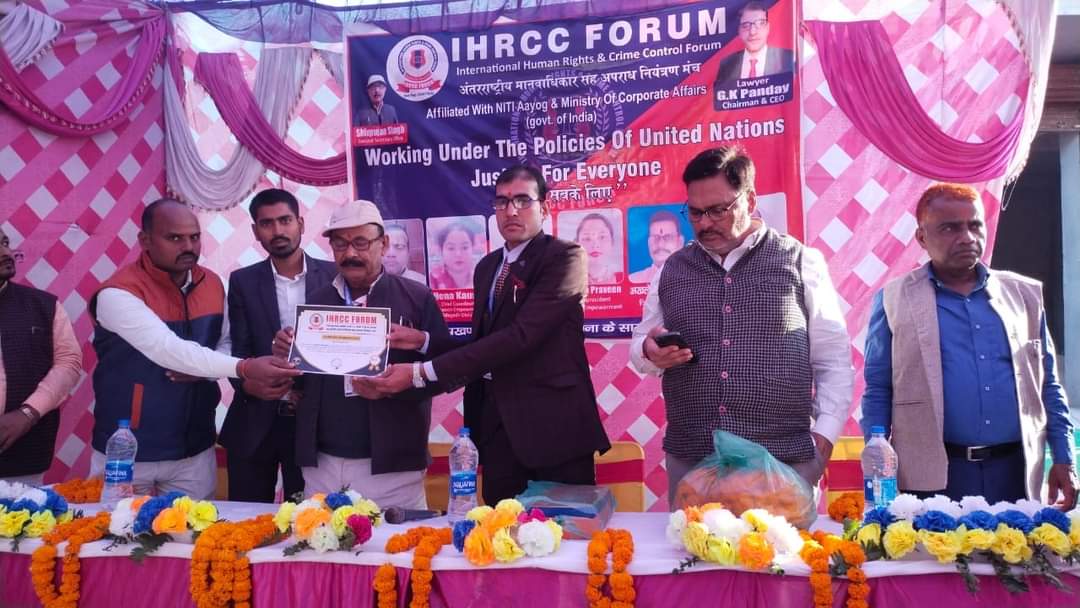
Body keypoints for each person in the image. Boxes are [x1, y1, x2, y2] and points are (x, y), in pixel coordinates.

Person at [372, 165, 611, 505]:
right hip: (496, 430)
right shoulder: (487, 267)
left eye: (523, 201)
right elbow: (486, 344)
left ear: (544, 208)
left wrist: (419, 373)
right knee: (498, 532)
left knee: (564, 533)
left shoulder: (565, 257)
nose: (511, 211)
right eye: (502, 202)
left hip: (555, 431)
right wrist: (423, 341)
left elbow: (520, 337)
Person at [630, 147, 853, 505]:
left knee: (782, 546)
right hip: (693, 464)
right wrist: (648, 350)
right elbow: (642, 340)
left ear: (749, 199)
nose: (705, 223)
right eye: (695, 212)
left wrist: (822, 444)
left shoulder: (801, 261)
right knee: (689, 544)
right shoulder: (670, 270)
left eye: (718, 210)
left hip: (782, 464)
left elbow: (834, 361)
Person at [861, 183, 1077, 508]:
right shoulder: (894, 298)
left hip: (1016, 475)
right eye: (949, 228)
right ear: (922, 237)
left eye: (974, 225)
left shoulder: (1023, 296)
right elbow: (878, 387)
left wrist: (1064, 457)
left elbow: (1047, 383)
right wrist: (879, 466)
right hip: (932, 480)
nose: (966, 237)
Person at [89, 198, 301, 499]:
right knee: (119, 529)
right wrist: (244, 368)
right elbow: (167, 349)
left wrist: (206, 373)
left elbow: (224, 343)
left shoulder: (211, 283)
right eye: (174, 238)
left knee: (194, 529)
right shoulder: (117, 293)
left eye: (194, 237)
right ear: (145, 240)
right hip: (128, 449)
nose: (188, 246)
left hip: (194, 449)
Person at [271, 200, 452, 508]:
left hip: (393, 468)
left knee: (395, 540)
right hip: (322, 465)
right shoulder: (317, 301)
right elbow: (303, 382)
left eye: (360, 242)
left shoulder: (416, 297)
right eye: (340, 244)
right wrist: (286, 354)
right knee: (321, 537)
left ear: (384, 244)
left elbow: (447, 369)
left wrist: (404, 375)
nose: (350, 253)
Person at [220, 189, 337, 503]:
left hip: (315, 424)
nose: (278, 230)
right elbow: (236, 347)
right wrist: (249, 385)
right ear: (255, 231)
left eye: (285, 220)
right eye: (267, 223)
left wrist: (310, 392)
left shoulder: (334, 275)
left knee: (308, 519)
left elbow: (343, 349)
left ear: (301, 223)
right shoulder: (243, 281)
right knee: (245, 518)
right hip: (255, 420)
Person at [0, 228, 81, 485]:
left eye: (5, 243)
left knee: (23, 512)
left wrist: (27, 414)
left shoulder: (42, 305)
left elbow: (68, 363)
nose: (6, 252)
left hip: (24, 453)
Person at [714, 2, 794, 83]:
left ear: (768, 28)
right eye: (746, 26)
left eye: (760, 24)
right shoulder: (727, 65)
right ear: (739, 31)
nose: (752, 32)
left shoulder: (786, 58)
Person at [629, 210, 685, 284]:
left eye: (667, 237)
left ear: (680, 242)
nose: (660, 244)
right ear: (649, 242)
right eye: (655, 237)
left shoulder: (694, 277)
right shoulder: (634, 280)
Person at [428, 220, 481, 289]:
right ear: (441, 250)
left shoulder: (482, 274)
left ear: (473, 248)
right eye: (451, 248)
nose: (458, 254)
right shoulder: (433, 278)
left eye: (464, 247)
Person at [575, 213, 622, 285]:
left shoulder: (623, 278)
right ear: (577, 244)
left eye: (602, 237)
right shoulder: (567, 281)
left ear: (612, 243)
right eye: (587, 238)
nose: (595, 245)